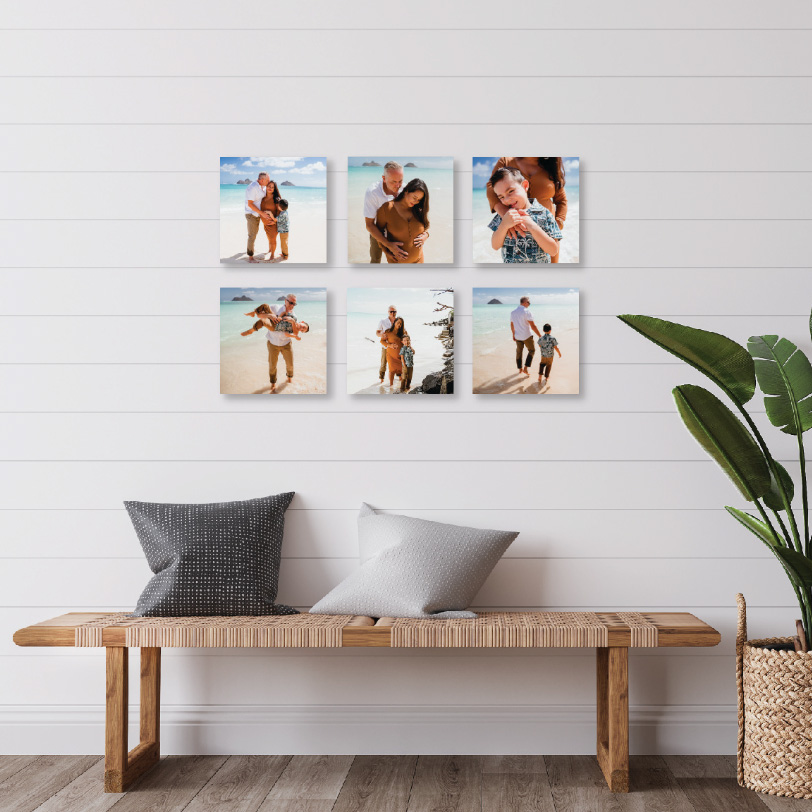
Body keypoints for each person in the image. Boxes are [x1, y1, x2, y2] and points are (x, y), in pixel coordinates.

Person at [485, 157, 568, 263]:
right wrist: (504, 224)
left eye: (510, 191)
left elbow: (553, 250)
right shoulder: (504, 217)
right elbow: (495, 246)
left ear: (525, 186)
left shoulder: (545, 215)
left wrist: (554, 225)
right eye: (501, 197)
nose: (507, 199)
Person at [375, 179, 431, 263]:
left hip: (419, 261)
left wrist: (426, 235)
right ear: (406, 191)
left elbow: (425, 227)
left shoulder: (418, 210)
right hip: (396, 262)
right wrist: (386, 250)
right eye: (414, 197)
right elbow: (377, 232)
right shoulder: (387, 209)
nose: (416, 202)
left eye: (419, 200)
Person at [363, 161, 407, 262]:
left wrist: (425, 233)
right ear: (384, 178)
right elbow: (369, 224)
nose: (398, 185)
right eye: (393, 182)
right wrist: (388, 245)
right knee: (375, 260)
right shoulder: (372, 192)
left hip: (397, 230)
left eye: (400, 181)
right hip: (377, 231)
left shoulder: (405, 188)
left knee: (399, 261)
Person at [262, 293, 298, 392]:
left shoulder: (294, 316)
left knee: (290, 364)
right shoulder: (275, 308)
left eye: (294, 304)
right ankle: (273, 384)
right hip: (272, 343)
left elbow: (295, 332)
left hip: (286, 344)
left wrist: (293, 322)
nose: (292, 305)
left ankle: (289, 379)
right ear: (285, 301)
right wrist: (270, 315)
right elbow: (259, 315)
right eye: (290, 303)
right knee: (272, 365)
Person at [244, 173, 273, 263]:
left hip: (257, 214)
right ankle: (250, 257)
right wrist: (262, 213)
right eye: (267, 180)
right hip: (251, 214)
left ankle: (251, 249)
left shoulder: (262, 186)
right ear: (262, 180)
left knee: (255, 233)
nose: (268, 182)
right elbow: (250, 204)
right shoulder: (253, 187)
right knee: (252, 235)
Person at [510, 296, 542, 376]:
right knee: (532, 350)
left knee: (519, 352)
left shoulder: (513, 312)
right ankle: (525, 368)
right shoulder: (527, 312)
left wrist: (513, 334)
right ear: (524, 302)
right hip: (527, 336)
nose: (529, 304)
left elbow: (512, 324)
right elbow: (533, 326)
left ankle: (520, 368)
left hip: (517, 336)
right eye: (528, 302)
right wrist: (539, 335)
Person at [240, 303, 309, 338]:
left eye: (302, 330)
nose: (301, 329)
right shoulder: (294, 318)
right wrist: (280, 317)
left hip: (274, 327)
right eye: (303, 327)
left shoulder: (294, 331)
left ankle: (251, 331)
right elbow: (284, 312)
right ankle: (254, 312)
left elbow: (286, 334)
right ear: (302, 322)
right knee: (265, 306)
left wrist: (293, 324)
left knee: (262, 321)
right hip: (275, 318)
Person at [381, 317, 406, 388]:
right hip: (391, 355)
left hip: (401, 356)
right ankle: (391, 386)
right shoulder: (388, 332)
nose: (399, 325)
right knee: (391, 371)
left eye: (401, 324)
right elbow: (382, 341)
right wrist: (390, 345)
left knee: (402, 371)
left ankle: (403, 386)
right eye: (398, 323)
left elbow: (407, 341)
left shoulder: (403, 332)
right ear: (394, 322)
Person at [376, 304, 398, 383]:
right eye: (391, 311)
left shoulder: (398, 321)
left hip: (396, 347)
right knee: (383, 363)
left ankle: (398, 381)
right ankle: (381, 381)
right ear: (388, 312)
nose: (392, 313)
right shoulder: (383, 321)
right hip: (386, 346)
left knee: (397, 363)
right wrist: (381, 335)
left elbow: (403, 332)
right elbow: (377, 332)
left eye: (394, 311)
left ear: (396, 312)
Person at [260, 180, 281, 261]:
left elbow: (280, 212)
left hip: (273, 224)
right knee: (269, 238)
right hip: (265, 224)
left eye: (272, 187)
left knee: (272, 239)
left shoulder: (276, 199)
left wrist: (275, 221)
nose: (270, 188)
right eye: (269, 186)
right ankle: (270, 250)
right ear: (266, 186)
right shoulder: (262, 197)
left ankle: (272, 255)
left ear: (274, 189)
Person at [537, 323, 562, 387]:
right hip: (550, 355)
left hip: (543, 355)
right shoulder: (553, 338)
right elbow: (555, 347)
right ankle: (546, 377)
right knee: (549, 365)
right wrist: (559, 353)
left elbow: (539, 345)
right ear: (550, 330)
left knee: (542, 364)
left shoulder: (541, 338)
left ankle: (540, 376)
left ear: (543, 330)